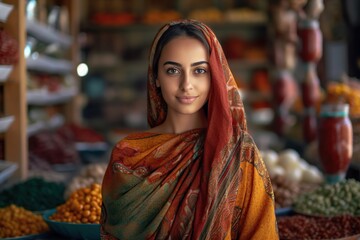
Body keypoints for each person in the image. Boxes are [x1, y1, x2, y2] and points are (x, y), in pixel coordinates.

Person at [101, 19, 279, 240]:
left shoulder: (239, 153)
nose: (187, 84)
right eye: (173, 70)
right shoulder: (128, 154)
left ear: (215, 76)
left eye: (200, 71)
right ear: (155, 77)